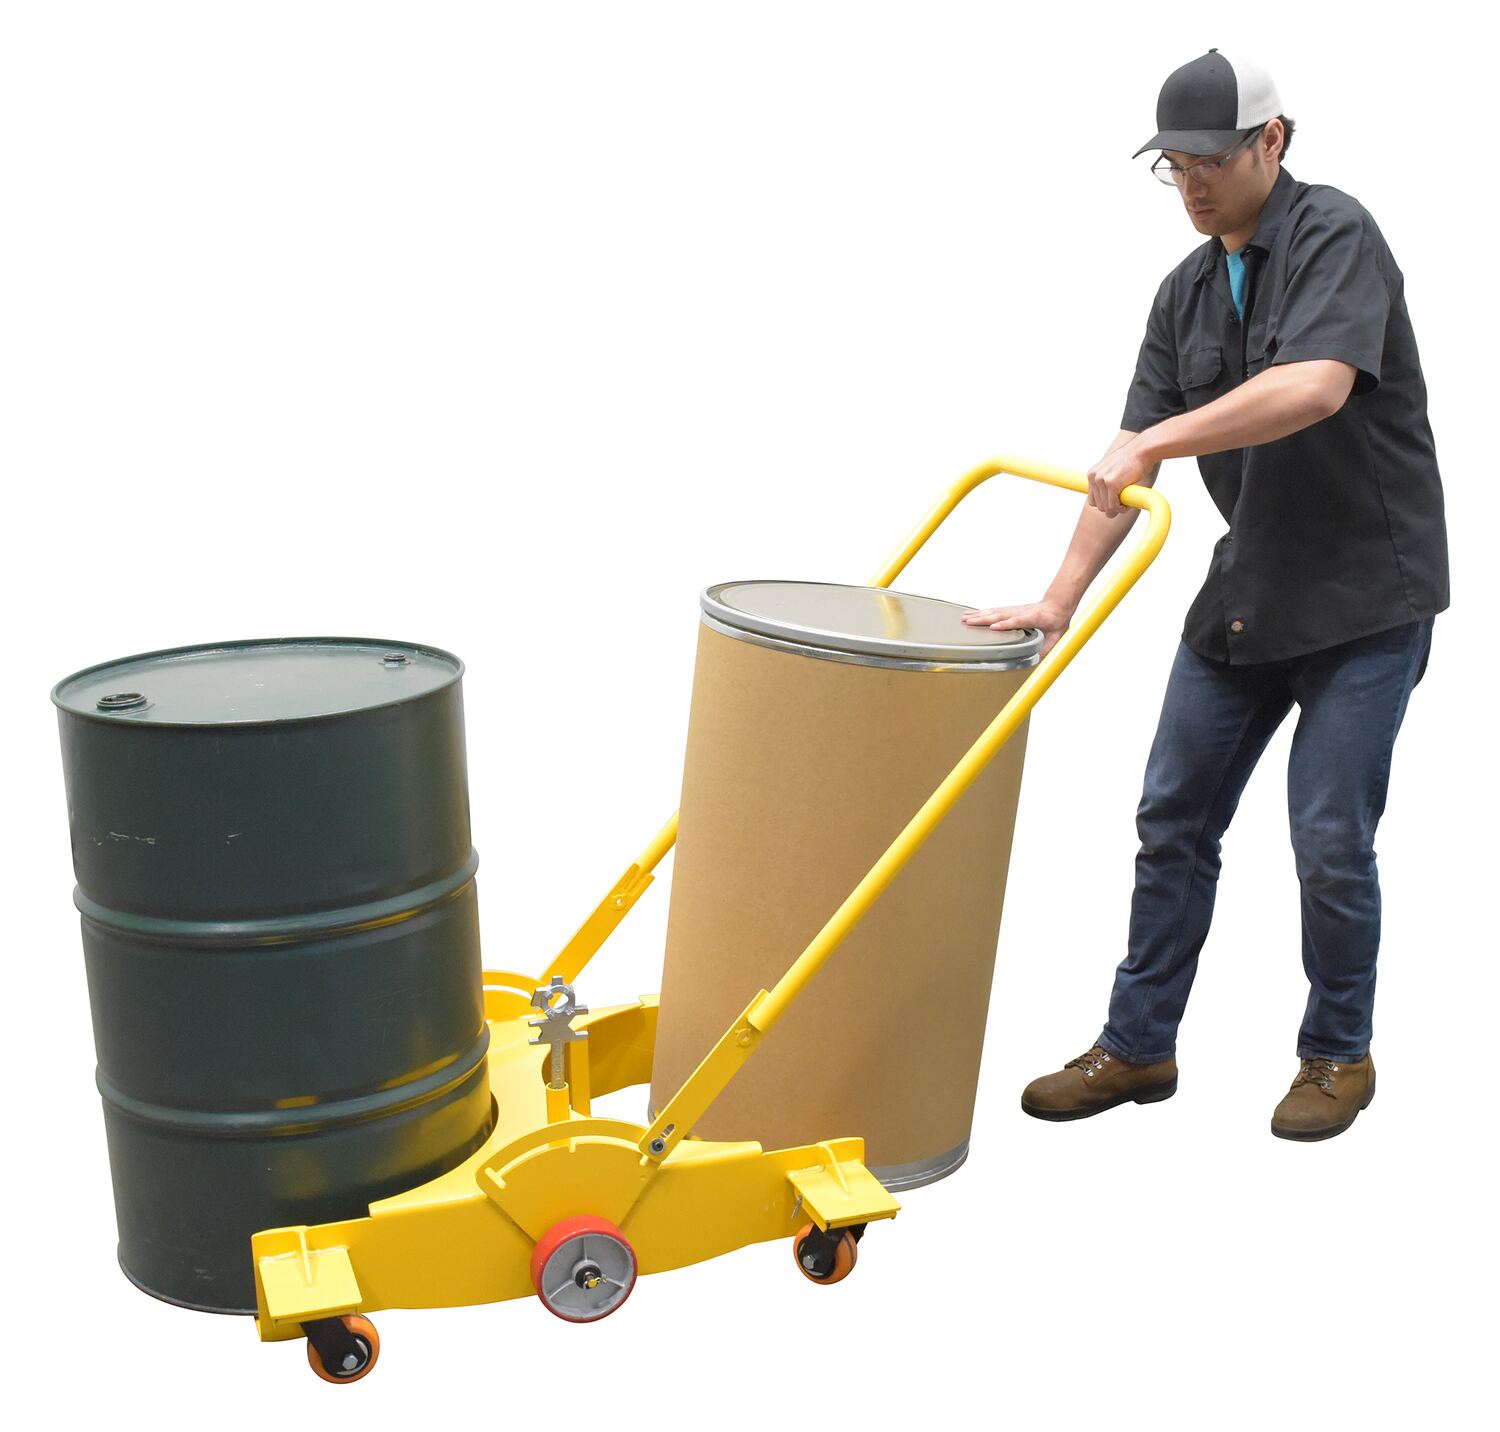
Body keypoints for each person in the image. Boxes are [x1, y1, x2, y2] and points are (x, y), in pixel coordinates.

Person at [962, 50, 1449, 1141]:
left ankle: (1338, 1053)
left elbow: (1313, 386)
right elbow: (1126, 466)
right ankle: (1137, 1046)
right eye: (1173, 166)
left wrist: (1157, 439)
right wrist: (1059, 595)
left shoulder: (1336, 235)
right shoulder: (1182, 292)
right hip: (1251, 588)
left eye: (1211, 162)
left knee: (1328, 833)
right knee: (1171, 818)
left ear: (1272, 141)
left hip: (1368, 596)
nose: (1191, 185)